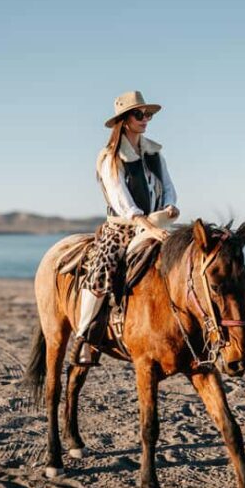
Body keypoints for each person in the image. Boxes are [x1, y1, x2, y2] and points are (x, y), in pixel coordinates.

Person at [71, 90, 180, 366]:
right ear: (124, 120)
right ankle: (83, 337)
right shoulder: (110, 156)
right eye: (139, 114)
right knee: (102, 270)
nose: (145, 119)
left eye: (148, 114)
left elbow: (168, 186)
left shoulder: (155, 153)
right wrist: (146, 225)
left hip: (156, 223)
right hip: (122, 228)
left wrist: (170, 206)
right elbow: (122, 199)